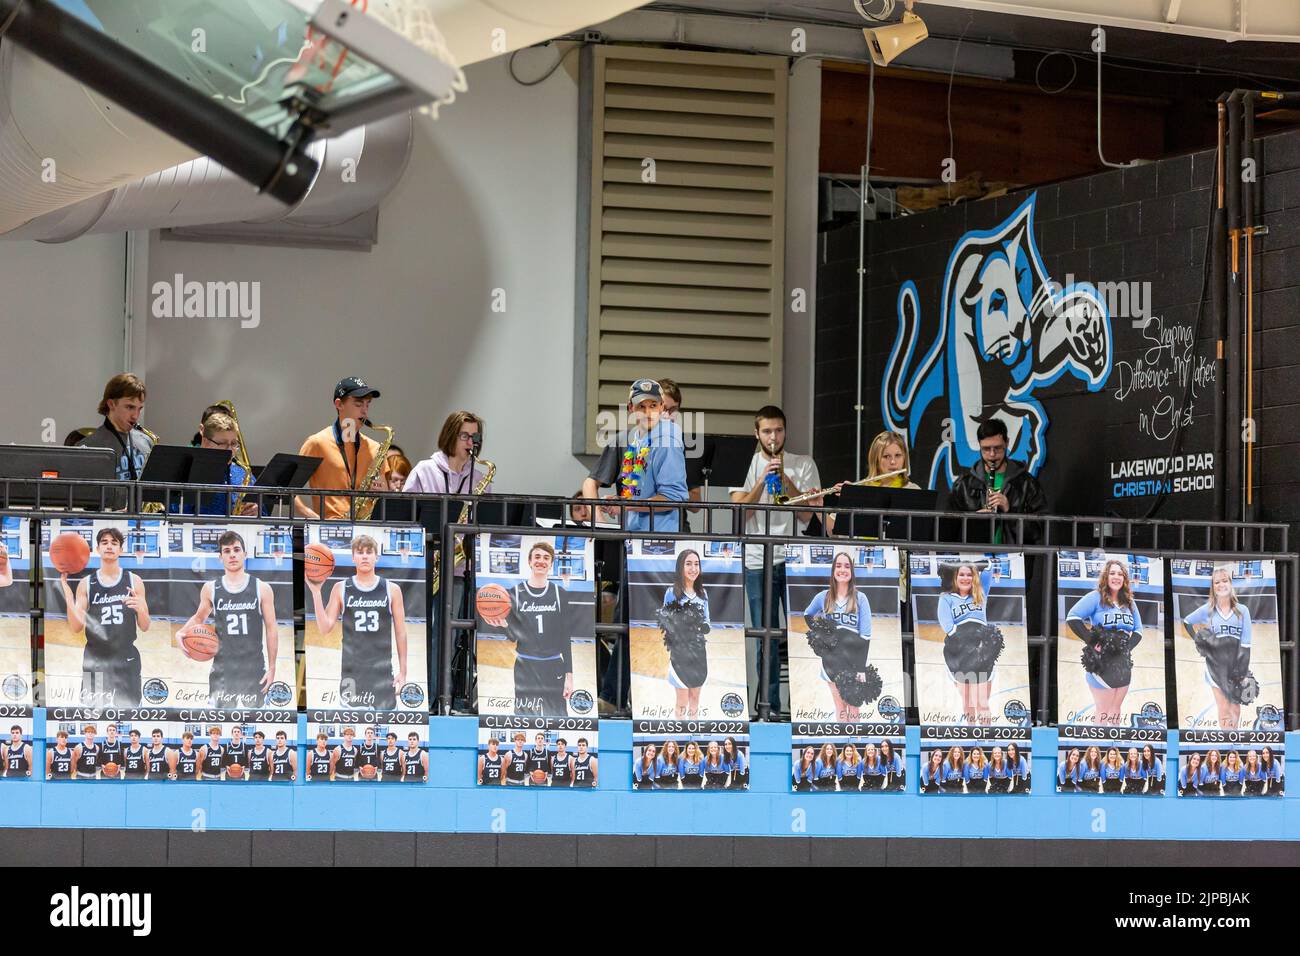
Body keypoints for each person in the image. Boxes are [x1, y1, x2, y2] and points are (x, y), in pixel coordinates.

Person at [730, 405, 824, 719]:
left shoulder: (803, 463)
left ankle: (803, 707)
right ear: (757, 433)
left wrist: (785, 480)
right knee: (764, 636)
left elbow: (807, 514)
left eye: (779, 430)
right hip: (758, 559)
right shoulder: (746, 462)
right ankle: (767, 707)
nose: (774, 437)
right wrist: (761, 481)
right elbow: (742, 514)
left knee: (802, 634)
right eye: (767, 431)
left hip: (795, 558)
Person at [405, 411, 491, 694]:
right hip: (425, 568)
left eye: (474, 437)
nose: (470, 442)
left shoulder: (480, 478)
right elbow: (404, 518)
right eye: (464, 435)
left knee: (452, 635)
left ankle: (447, 696)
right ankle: (424, 695)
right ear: (450, 436)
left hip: (458, 569)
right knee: (425, 633)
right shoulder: (424, 470)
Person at [176, 530, 278, 709]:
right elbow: (199, 617)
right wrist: (182, 632)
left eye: (237, 550)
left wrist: (272, 667)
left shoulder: (262, 588)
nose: (232, 555)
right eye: (227, 551)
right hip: (223, 668)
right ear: (220, 557)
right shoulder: (210, 588)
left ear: (245, 555)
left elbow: (271, 629)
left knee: (255, 721)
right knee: (220, 721)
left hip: (253, 667)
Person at [306, 534, 408, 710]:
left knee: (386, 726)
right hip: (351, 672)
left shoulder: (392, 589)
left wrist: (403, 672)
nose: (365, 556)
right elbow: (324, 627)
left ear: (377, 556)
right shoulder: (341, 588)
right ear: (353, 558)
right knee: (351, 727)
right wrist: (316, 593)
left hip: (382, 673)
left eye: (369, 552)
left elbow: (401, 632)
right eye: (360, 552)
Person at [479, 542, 574, 717]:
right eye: (537, 557)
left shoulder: (560, 594)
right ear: (529, 562)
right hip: (525, 666)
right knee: (524, 719)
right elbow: (514, 636)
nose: (541, 561)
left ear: (551, 564)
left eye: (546, 558)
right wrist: (504, 626)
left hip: (554, 667)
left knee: (558, 719)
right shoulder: (514, 593)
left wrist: (569, 675)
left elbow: (565, 638)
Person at [59, 527, 149, 707]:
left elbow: (145, 626)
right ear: (97, 548)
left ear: (121, 550)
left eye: (114, 543)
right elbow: (76, 627)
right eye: (105, 543)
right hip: (95, 659)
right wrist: (69, 597)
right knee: (93, 711)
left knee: (128, 711)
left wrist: (141, 609)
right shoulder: (86, 584)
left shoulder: (134, 581)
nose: (109, 546)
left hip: (126, 657)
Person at [295, 377, 383, 520]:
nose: (365, 411)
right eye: (358, 403)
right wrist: (310, 515)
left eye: (367, 404)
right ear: (339, 404)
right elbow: (288, 491)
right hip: (328, 529)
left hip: (366, 529)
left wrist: (381, 491)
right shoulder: (317, 443)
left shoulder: (375, 448)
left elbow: (383, 492)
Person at [946, 419, 1047, 544]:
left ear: (1007, 443)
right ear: (979, 445)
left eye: (998, 448)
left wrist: (1010, 511)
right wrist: (973, 521)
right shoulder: (963, 484)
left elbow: (1038, 531)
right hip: (977, 559)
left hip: (1014, 559)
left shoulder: (1027, 483)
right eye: (986, 449)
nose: (992, 455)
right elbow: (949, 531)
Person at [1068, 559, 1143, 726]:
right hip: (1101, 662)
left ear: (1124, 579)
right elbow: (1072, 617)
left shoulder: (1129, 602)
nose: (1116, 577)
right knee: (1103, 710)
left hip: (1122, 663)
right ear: (1106, 577)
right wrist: (1093, 642)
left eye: (1120, 574)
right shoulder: (1096, 597)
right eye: (1112, 573)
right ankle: (1100, 746)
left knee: (1116, 708)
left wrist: (1125, 649)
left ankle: (1115, 749)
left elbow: (1138, 630)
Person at [802, 551, 873, 722]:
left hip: (853, 659)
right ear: (833, 570)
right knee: (840, 705)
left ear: (852, 572)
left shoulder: (860, 598)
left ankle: (855, 745)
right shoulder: (823, 597)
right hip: (831, 660)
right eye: (839, 566)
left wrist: (861, 668)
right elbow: (807, 614)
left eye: (847, 566)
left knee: (854, 706)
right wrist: (820, 633)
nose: (842, 569)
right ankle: (842, 744)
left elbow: (865, 636)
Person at [1183, 566, 1252, 730]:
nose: (1221, 585)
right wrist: (1199, 641)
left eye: (1225, 581)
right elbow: (1187, 621)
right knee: (1223, 708)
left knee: (1235, 706)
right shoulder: (1208, 609)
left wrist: (1242, 673)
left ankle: (1234, 740)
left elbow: (1246, 644)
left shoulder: (1243, 611)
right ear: (1213, 587)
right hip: (1214, 666)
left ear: (1230, 583)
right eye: (1217, 582)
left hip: (1236, 665)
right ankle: (1225, 745)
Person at [937, 561, 1001, 723]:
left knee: (983, 704)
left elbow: (989, 567)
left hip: (981, 653)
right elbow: (947, 625)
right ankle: (971, 735)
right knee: (968, 704)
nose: (965, 578)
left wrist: (974, 565)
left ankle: (986, 739)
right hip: (959, 654)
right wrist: (964, 644)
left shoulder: (980, 593)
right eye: (961, 574)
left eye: (969, 574)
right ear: (955, 577)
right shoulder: (947, 598)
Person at [660, 549, 710, 718]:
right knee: (682, 700)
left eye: (696, 564)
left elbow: (707, 621)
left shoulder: (703, 594)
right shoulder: (671, 592)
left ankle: (693, 736)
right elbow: (665, 619)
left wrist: (702, 626)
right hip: (680, 653)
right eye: (688, 564)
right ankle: (680, 734)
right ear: (680, 567)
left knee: (695, 698)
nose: (693, 568)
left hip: (698, 652)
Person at [78, 373, 155, 481]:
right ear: (111, 404)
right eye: (130, 407)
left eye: (139, 409)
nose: (135, 416)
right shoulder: (89, 447)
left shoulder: (147, 441)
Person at [185, 410, 258, 517]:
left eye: (233, 443)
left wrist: (256, 511)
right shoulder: (186, 473)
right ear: (205, 442)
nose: (230, 450)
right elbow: (172, 512)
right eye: (223, 443)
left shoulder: (243, 473)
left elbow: (264, 513)